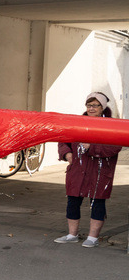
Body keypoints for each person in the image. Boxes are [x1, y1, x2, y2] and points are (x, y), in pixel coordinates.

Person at [54, 92, 121, 248]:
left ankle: (93, 238)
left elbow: (115, 147)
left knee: (97, 202)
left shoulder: (112, 124)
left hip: (99, 172)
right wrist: (66, 153)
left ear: (102, 107)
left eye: (95, 105)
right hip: (78, 169)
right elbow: (63, 138)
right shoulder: (77, 122)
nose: (91, 108)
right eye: (89, 105)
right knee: (72, 202)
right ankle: (72, 235)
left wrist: (93, 148)